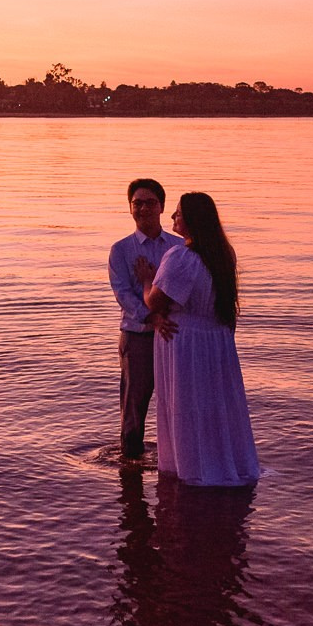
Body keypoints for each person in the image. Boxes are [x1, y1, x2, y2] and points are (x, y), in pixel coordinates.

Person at [146, 192, 260, 487]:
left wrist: (147, 279)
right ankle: (224, 460)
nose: (172, 218)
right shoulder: (223, 255)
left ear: (194, 220)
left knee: (187, 406)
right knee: (215, 405)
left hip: (186, 342)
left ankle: (192, 467)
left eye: (178, 214)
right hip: (217, 340)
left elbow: (156, 302)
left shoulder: (181, 256)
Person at [108, 177, 181, 463]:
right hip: (137, 336)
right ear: (129, 208)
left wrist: (163, 314)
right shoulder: (121, 250)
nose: (143, 209)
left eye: (150, 203)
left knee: (176, 402)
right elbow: (122, 294)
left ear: (162, 206)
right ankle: (129, 465)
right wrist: (152, 317)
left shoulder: (178, 247)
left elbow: (184, 288)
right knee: (134, 406)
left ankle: (175, 460)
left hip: (173, 333)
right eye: (137, 203)